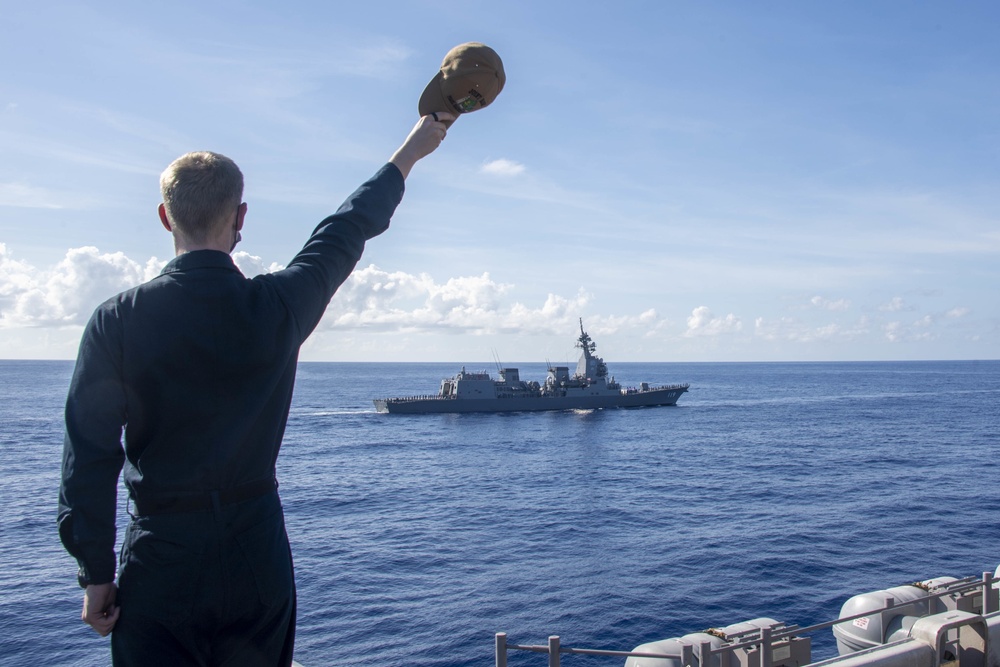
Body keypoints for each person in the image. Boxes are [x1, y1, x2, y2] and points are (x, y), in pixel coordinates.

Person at [57, 111, 454, 666]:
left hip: (162, 555)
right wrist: (410, 152)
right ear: (240, 217)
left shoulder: (116, 321)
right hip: (255, 552)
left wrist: (95, 573)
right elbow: (346, 228)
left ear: (164, 217)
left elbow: (89, 457)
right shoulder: (279, 306)